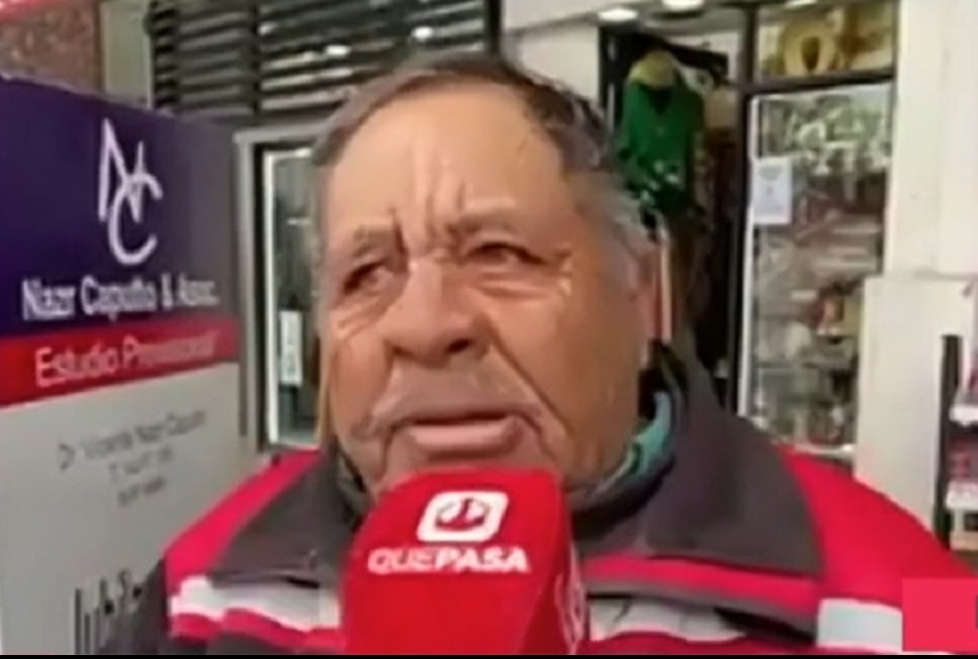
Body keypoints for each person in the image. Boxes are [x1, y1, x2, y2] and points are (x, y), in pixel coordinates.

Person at [102, 52, 968, 655]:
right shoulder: (201, 590)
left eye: (498, 254)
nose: (424, 326)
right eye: (366, 273)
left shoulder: (908, 599)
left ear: (641, 295)